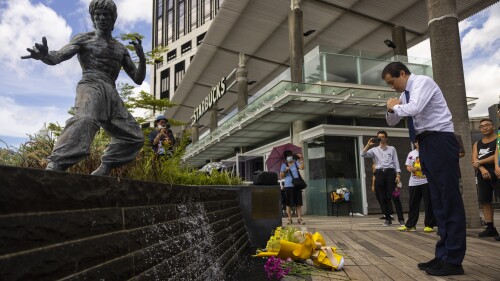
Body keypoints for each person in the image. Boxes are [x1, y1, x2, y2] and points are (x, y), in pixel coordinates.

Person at [21, 0, 146, 176]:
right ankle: (57, 163)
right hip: (90, 84)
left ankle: (105, 167)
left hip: (111, 90)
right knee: (86, 119)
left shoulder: (120, 48)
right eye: (98, 15)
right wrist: (44, 55)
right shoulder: (83, 39)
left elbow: (138, 78)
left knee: (135, 137)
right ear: (93, 18)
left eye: (106, 15)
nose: (102, 18)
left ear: (113, 19)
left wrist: (141, 58)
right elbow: (57, 57)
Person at [384, 61, 465, 276]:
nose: (393, 87)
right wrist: (390, 108)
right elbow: (393, 121)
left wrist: (395, 105)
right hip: (425, 142)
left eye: (393, 82)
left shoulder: (422, 82)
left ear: (402, 73)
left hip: (440, 139)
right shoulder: (404, 95)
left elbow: (415, 108)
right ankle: (443, 255)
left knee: (449, 198)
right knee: (437, 200)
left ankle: (454, 260)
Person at [361, 131, 404, 227]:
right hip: (379, 173)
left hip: (390, 173)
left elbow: (396, 161)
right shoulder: (374, 150)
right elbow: (362, 154)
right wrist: (368, 144)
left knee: (394, 196)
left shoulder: (392, 149)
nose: (381, 139)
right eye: (379, 137)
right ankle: (388, 219)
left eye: (383, 137)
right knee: (382, 197)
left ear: (386, 138)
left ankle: (401, 219)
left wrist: (398, 174)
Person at [398, 141, 435, 232]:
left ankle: (429, 225)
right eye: (416, 142)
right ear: (414, 143)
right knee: (413, 204)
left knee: (428, 203)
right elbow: (407, 166)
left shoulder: (428, 152)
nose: (418, 143)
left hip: (426, 181)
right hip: (413, 182)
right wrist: (410, 168)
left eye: (419, 142)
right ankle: (411, 225)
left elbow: (431, 166)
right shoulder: (411, 153)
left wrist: (418, 168)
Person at [472, 118, 498, 238]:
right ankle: (490, 227)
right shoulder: (477, 144)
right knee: (485, 201)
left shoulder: (498, 140)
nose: (485, 127)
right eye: (482, 126)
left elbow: (496, 157)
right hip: (483, 173)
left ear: (493, 126)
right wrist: (482, 169)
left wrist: (480, 162)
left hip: (497, 171)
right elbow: (474, 160)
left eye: (487, 125)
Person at [280, 150, 305, 225]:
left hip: (296, 185)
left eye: (290, 155)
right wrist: (285, 171)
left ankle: (299, 218)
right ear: (285, 158)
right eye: (288, 156)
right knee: (289, 203)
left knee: (298, 203)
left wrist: (301, 160)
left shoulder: (295, 162)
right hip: (288, 186)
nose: (289, 157)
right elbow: (281, 176)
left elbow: (302, 167)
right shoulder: (284, 165)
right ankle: (289, 219)